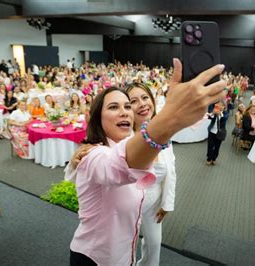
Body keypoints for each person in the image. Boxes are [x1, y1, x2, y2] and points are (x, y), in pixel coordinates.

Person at [65, 60, 226, 265]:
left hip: (125, 255)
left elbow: (167, 170)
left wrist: (166, 202)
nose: (125, 111)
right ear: (97, 119)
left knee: (154, 244)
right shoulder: (93, 156)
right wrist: (172, 117)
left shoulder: (129, 144)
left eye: (126, 106)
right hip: (95, 258)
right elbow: (118, 165)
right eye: (114, 107)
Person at [124, 82, 177, 266]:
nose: (142, 104)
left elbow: (171, 170)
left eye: (145, 97)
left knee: (154, 245)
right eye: (133, 101)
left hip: (154, 200)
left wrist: (167, 203)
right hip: (128, 203)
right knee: (125, 246)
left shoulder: (163, 133)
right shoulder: (123, 137)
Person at [206, 100, 228, 165]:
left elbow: (225, 118)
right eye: (218, 104)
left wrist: (220, 113)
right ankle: (209, 158)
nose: (219, 105)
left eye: (220, 105)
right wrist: (213, 113)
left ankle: (214, 158)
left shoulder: (225, 113)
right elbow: (209, 117)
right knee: (210, 145)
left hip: (220, 132)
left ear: (224, 106)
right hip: (212, 131)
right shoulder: (214, 110)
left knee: (217, 146)